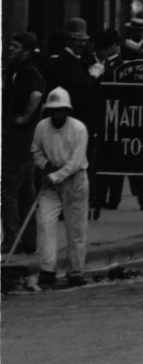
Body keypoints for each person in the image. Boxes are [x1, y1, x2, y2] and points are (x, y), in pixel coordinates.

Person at [25, 89, 91, 287]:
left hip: (75, 181)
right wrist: (46, 166)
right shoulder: (41, 128)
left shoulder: (79, 129)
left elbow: (75, 163)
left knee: (76, 229)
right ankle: (47, 269)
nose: (55, 114)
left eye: (60, 110)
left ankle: (76, 271)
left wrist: (54, 175)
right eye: (52, 110)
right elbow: (36, 151)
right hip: (51, 183)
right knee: (45, 223)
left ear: (67, 111)